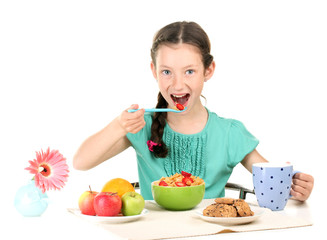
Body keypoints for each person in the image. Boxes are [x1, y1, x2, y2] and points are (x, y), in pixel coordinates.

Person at [73, 21, 314, 201]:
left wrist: (295, 187)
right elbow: (81, 162)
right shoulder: (142, 126)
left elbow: (272, 179)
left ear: (208, 70)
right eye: (167, 72)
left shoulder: (229, 133)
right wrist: (118, 125)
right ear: (154, 71)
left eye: (189, 71)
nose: (177, 85)